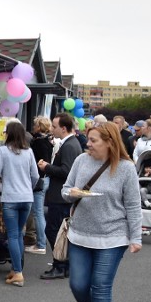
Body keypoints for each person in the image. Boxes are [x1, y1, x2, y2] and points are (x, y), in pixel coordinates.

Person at [62, 123, 142, 302]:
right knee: (77, 284)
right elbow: (65, 190)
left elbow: (133, 205)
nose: (88, 144)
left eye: (94, 140)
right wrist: (71, 193)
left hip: (112, 237)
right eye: (89, 139)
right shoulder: (81, 161)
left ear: (109, 142)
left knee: (100, 286)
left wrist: (135, 237)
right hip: (80, 234)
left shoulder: (126, 169)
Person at [0, 120, 39, 286]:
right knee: (19, 235)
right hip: (27, 198)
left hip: (10, 199)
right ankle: (16, 269)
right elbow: (35, 176)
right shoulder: (29, 152)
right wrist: (28, 188)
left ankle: (18, 273)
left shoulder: (2, 151)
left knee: (12, 235)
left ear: (8, 134)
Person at [38, 112, 83, 279]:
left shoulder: (70, 145)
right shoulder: (70, 143)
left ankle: (60, 265)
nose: (52, 129)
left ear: (64, 128)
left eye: (55, 127)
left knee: (54, 231)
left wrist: (47, 167)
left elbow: (66, 171)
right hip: (61, 195)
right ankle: (65, 264)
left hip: (60, 196)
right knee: (60, 232)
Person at [25, 116, 53, 255]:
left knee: (37, 213)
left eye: (35, 124)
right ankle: (35, 240)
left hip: (39, 180)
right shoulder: (48, 141)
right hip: (45, 179)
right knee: (34, 211)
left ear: (39, 126)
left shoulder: (38, 142)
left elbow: (39, 163)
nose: (33, 127)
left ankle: (41, 244)